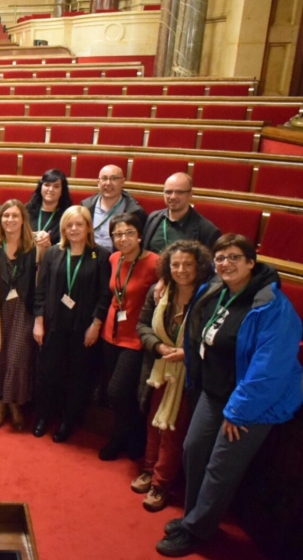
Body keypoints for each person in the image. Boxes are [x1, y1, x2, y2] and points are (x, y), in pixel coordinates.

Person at [156, 234, 303, 557]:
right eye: (221, 258)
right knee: (194, 450)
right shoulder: (217, 291)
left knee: (220, 468)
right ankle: (193, 516)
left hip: (253, 405)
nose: (226, 264)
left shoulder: (272, 307)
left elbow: (268, 369)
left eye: (235, 257)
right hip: (215, 391)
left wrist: (239, 411)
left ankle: (198, 530)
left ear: (252, 262)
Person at [134, 241, 213, 513]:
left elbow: (213, 340)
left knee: (174, 430)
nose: (181, 270)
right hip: (159, 368)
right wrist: (158, 346)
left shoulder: (208, 299)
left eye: (187, 264)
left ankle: (161, 483)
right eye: (175, 264)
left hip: (188, 377)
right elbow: (143, 325)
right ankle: (148, 469)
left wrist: (186, 354)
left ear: (199, 266)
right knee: (153, 422)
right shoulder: (160, 293)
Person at [33, 206, 112, 443]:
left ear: (88, 227)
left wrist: (96, 325)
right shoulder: (53, 253)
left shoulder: (101, 255)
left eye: (79, 224)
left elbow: (104, 296)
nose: (74, 229)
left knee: (78, 378)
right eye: (69, 225)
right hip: (54, 325)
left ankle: (68, 421)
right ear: (63, 228)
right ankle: (43, 417)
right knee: (49, 375)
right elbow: (41, 290)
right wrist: (38, 322)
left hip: (83, 328)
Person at [98, 214, 160, 461]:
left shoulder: (156, 262)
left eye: (128, 233)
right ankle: (127, 436)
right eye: (117, 234)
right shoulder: (114, 258)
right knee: (115, 392)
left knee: (118, 391)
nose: (122, 239)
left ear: (140, 235)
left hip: (135, 338)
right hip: (110, 333)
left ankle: (125, 438)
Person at [0, 200, 38, 431]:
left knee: (17, 358)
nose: (10, 220)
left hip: (24, 309)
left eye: (15, 216)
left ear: (23, 219)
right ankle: (4, 405)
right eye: (5, 216)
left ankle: (11, 405)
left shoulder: (35, 245)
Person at [143, 172, 221, 253]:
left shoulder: (207, 231)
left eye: (179, 192)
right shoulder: (153, 218)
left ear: (190, 195)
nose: (173, 197)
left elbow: (207, 264)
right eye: (168, 192)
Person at [81, 164, 147, 251]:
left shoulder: (135, 212)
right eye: (104, 178)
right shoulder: (86, 207)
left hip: (118, 259)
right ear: (98, 182)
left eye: (114, 178)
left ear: (122, 182)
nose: (108, 183)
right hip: (89, 257)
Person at [25, 168, 73, 249]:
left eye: (56, 186)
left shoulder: (69, 215)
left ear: (62, 190)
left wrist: (49, 245)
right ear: (40, 187)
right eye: (47, 185)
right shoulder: (26, 210)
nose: (50, 190)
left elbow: (71, 245)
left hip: (55, 258)